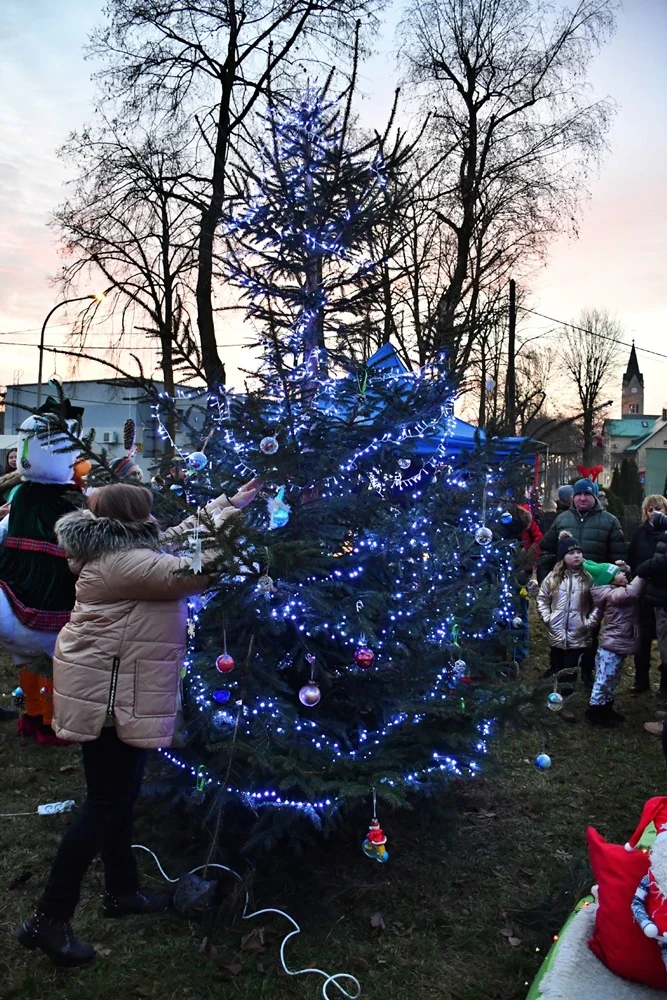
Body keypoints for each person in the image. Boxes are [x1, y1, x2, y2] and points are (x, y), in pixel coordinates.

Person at [17, 477, 260, 967]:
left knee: (120, 797)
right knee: (103, 804)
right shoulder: (125, 562)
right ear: (133, 518)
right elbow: (194, 569)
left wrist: (230, 504)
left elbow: (179, 536)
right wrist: (249, 543)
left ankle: (121, 891)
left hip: (113, 688)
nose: (155, 522)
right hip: (109, 697)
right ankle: (47, 919)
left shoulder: (122, 544)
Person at [0, 399, 86, 744]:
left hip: (15, 589)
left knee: (30, 659)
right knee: (54, 659)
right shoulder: (72, 498)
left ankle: (35, 715)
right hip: (58, 593)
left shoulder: (23, 494)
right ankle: (48, 720)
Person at [540, 478, 626, 684]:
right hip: (562, 584)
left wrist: (612, 582)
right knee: (559, 623)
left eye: (587, 494)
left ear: (594, 496)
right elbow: (546, 549)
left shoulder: (609, 521)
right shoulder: (562, 519)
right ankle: (556, 665)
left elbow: (618, 556)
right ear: (573, 497)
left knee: (590, 628)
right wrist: (545, 578)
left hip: (593, 587)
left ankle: (586, 669)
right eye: (578, 494)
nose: (582, 498)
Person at [585, 560, 644, 726]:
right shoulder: (613, 594)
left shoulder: (614, 589)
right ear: (610, 580)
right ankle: (595, 711)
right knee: (604, 679)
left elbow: (628, 587)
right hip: (610, 646)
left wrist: (627, 570)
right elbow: (632, 592)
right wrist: (643, 573)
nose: (623, 575)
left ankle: (606, 707)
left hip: (617, 643)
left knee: (613, 678)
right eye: (619, 573)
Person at [537, 531, 599, 678]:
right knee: (558, 665)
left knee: (570, 669)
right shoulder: (553, 577)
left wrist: (589, 623)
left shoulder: (589, 578)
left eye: (579, 552)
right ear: (563, 557)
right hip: (557, 629)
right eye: (571, 553)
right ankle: (555, 692)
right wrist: (548, 618)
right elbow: (542, 599)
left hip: (579, 631)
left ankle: (568, 693)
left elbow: (598, 603)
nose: (576, 555)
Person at [628, 495, 667, 694]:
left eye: (658, 509)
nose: (654, 513)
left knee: (664, 642)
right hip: (643, 595)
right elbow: (631, 558)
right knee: (642, 639)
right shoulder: (639, 534)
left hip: (662, 595)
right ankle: (641, 680)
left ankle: (664, 684)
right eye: (650, 509)